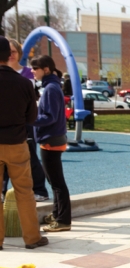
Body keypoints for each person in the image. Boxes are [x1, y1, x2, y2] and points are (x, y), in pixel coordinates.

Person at [0, 36, 48, 250]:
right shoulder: (24, 83)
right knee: (25, 192)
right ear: (9, 55)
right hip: (17, 142)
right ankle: (31, 237)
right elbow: (31, 118)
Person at [31, 55, 71, 233]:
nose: (32, 71)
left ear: (45, 69)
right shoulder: (51, 87)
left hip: (51, 140)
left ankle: (63, 220)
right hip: (52, 139)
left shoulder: (51, 89)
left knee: (57, 183)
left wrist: (30, 118)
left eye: (35, 68)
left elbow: (50, 117)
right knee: (54, 181)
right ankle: (57, 214)